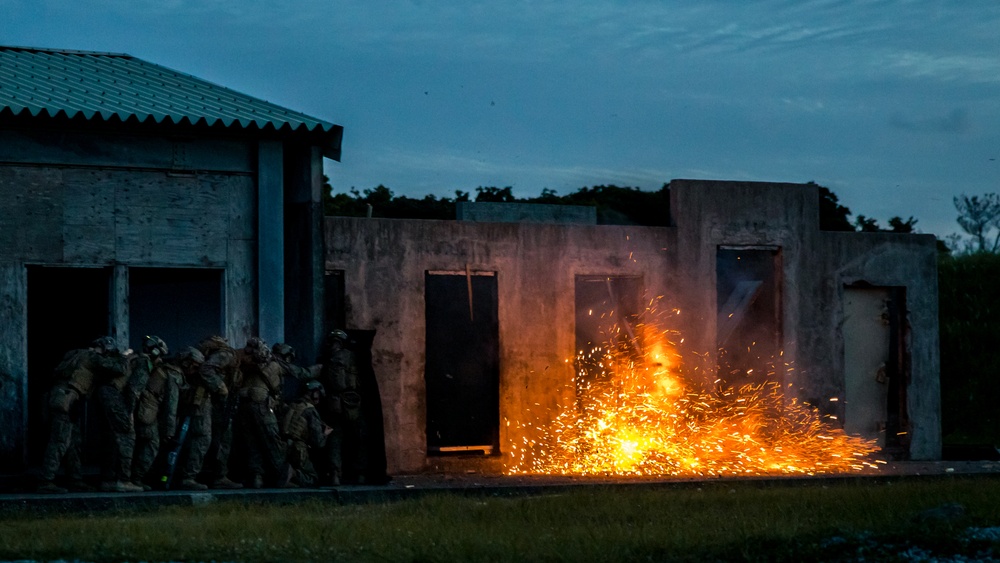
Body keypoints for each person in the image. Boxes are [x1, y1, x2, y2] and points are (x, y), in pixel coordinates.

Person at [37, 337, 125, 493]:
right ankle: (46, 480)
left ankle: (75, 479)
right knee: (60, 440)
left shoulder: (75, 353)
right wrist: (123, 356)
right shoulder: (92, 357)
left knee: (74, 442)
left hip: (62, 397)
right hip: (67, 398)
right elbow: (118, 369)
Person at [91, 336, 144, 493]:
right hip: (112, 395)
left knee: (110, 438)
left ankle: (108, 479)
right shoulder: (128, 361)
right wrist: (129, 412)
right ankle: (123, 480)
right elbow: (134, 389)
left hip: (103, 395)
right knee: (126, 435)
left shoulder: (103, 360)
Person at [238, 337, 291, 488]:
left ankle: (257, 477)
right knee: (272, 441)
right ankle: (284, 476)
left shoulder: (246, 364)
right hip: (260, 404)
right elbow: (277, 389)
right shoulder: (275, 366)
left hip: (243, 405)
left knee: (252, 444)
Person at [130, 336, 182, 491]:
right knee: (151, 445)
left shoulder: (139, 361)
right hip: (146, 412)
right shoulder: (167, 372)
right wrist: (170, 432)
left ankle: (133, 478)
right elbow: (171, 406)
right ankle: (136, 479)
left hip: (137, 410)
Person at [318, 329, 367, 486]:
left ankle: (335, 474)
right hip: (353, 403)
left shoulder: (328, 360)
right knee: (360, 438)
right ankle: (360, 473)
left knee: (335, 439)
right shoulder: (353, 357)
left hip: (334, 404)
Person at [197, 335, 243, 489]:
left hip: (219, 405)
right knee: (217, 440)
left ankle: (218, 475)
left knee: (219, 440)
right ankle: (218, 476)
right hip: (214, 403)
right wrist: (220, 387)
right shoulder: (227, 355)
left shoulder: (233, 361)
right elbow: (206, 369)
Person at [171, 346, 213, 491]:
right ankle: (188, 477)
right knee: (201, 440)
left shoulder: (183, 375)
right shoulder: (175, 374)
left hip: (184, 415)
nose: (194, 370)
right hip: (185, 416)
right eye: (193, 366)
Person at [279, 380, 331, 487]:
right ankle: (293, 474)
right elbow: (318, 442)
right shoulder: (310, 410)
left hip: (282, 447)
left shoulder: (292, 405)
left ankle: (290, 479)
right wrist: (325, 433)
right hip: (298, 448)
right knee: (313, 478)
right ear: (315, 393)